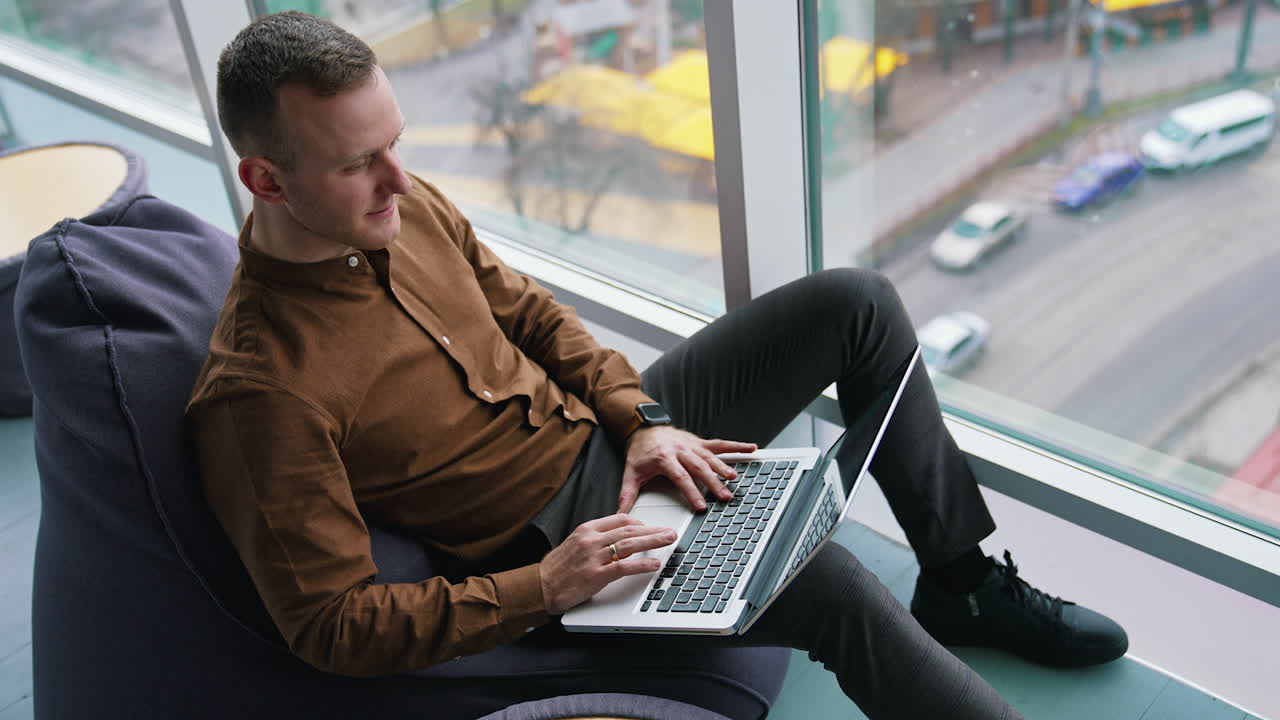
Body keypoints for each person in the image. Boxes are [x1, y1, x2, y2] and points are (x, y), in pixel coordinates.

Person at [187, 11, 1127, 720]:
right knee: (834, 584)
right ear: (267, 180)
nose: (398, 178)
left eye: (396, 144)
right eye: (361, 163)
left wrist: (642, 419)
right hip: (554, 549)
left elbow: (531, 314)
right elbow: (329, 626)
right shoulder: (261, 392)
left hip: (608, 439)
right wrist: (548, 586)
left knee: (857, 303)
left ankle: (959, 582)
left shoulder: (403, 203)